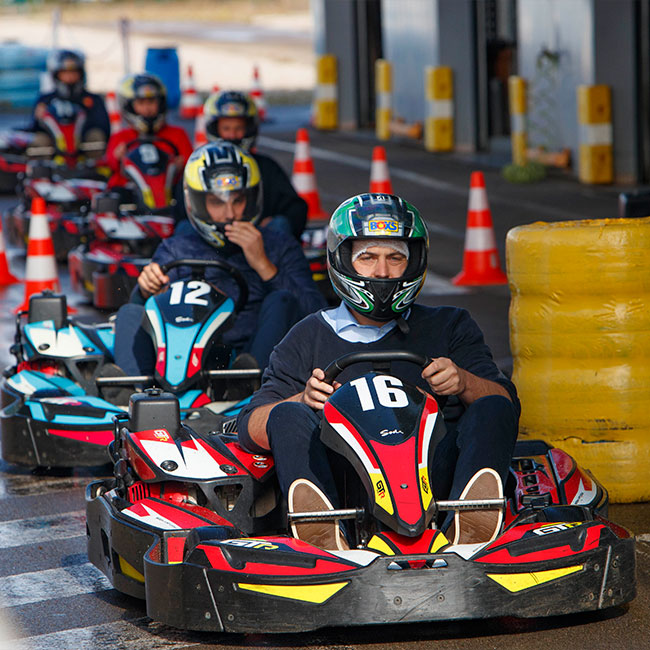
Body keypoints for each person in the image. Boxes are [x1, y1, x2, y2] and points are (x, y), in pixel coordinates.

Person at [236, 192, 520, 550]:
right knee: (288, 413)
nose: (382, 272)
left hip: (435, 481)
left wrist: (463, 382)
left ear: (414, 261)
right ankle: (323, 534)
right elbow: (249, 428)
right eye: (367, 257)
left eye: (395, 258)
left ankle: (468, 526)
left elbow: (506, 405)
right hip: (344, 485)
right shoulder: (308, 336)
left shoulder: (449, 325)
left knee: (492, 406)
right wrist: (304, 399)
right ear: (342, 260)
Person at [113, 140, 326, 377]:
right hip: (183, 356)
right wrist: (145, 290)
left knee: (282, 300)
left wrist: (264, 265)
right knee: (130, 312)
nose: (230, 214)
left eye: (238, 200)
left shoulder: (279, 245)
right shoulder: (176, 249)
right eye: (217, 202)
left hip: (253, 357)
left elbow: (318, 318)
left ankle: (252, 385)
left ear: (253, 198)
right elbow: (144, 312)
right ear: (197, 202)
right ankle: (135, 391)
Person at [203, 90, 307, 238]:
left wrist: (272, 224)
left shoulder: (267, 167)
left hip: (259, 244)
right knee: (185, 228)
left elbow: (296, 209)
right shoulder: (200, 168)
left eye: (238, 129)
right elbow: (184, 211)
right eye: (226, 129)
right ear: (215, 130)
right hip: (211, 242)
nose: (232, 136)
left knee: (280, 224)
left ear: (249, 130)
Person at [104, 72, 193, 211]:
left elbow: (190, 165)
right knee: (114, 193)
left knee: (187, 194)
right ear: (129, 106)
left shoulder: (177, 134)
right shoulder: (122, 137)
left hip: (169, 194)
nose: (147, 109)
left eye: (151, 102)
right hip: (133, 195)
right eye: (141, 103)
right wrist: (118, 157)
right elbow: (110, 165)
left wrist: (180, 164)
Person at [28, 49, 110, 159]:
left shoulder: (92, 99)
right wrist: (39, 118)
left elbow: (104, 127)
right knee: (39, 140)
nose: (70, 77)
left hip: (82, 148)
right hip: (54, 149)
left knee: (96, 136)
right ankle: (41, 172)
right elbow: (33, 129)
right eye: (65, 73)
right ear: (56, 75)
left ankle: (98, 170)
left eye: (73, 73)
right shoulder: (45, 99)